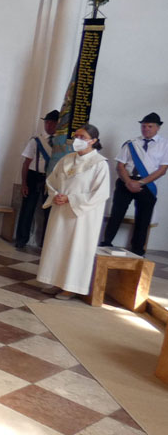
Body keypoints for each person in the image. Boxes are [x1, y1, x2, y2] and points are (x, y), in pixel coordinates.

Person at [36, 124, 110, 300]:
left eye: (82, 137)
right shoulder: (67, 159)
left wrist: (72, 199)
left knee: (75, 248)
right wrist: (55, 195)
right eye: (76, 136)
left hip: (81, 215)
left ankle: (71, 286)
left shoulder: (99, 164)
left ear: (94, 141)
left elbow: (101, 193)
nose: (77, 140)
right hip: (61, 210)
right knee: (57, 246)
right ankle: (55, 281)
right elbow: (52, 180)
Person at [100, 113, 167, 256]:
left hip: (147, 184)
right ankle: (106, 242)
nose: (146, 129)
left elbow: (162, 170)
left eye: (150, 126)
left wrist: (141, 182)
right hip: (126, 181)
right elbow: (120, 165)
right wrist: (129, 182)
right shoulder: (131, 143)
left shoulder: (165, 145)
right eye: (143, 126)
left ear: (158, 128)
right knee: (117, 213)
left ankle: (137, 249)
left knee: (143, 218)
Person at [15, 110, 59, 249]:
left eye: (52, 123)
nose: (49, 125)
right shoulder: (36, 140)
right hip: (34, 176)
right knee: (27, 208)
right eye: (47, 122)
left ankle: (46, 243)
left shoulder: (61, 143)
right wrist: (24, 183)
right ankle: (21, 239)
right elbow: (26, 162)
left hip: (52, 178)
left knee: (49, 211)